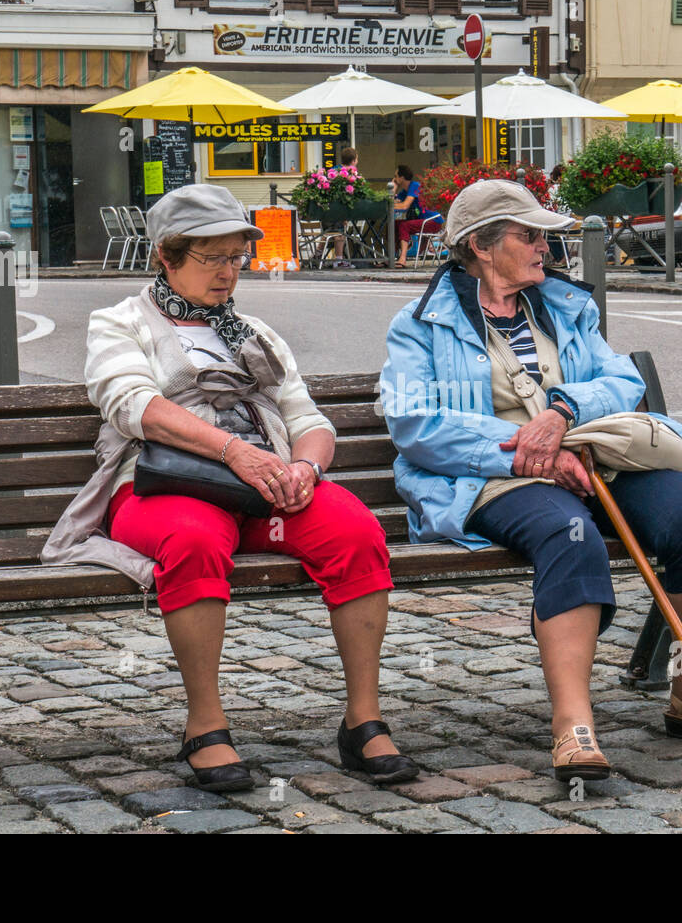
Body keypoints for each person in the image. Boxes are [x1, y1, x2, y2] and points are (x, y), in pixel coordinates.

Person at [42, 184, 418, 791]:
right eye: (212, 258)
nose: (228, 273)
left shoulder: (255, 332)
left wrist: (305, 469)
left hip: (263, 487)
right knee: (192, 541)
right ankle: (205, 724)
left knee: (355, 530)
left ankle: (363, 719)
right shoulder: (120, 322)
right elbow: (133, 404)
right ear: (167, 255)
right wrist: (234, 450)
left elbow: (307, 420)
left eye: (237, 258)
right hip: (164, 485)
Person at [380, 178, 682, 781]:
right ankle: (572, 723)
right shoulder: (420, 322)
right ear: (480, 245)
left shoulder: (563, 306)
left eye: (544, 235)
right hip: (488, 478)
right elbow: (416, 423)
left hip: (588, 459)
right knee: (570, 532)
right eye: (528, 235)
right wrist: (524, 455)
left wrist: (562, 413)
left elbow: (621, 382)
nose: (544, 248)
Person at [392, 164, 442, 268]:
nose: (394, 179)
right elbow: (391, 202)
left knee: (404, 226)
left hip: (433, 221)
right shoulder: (404, 192)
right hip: (422, 221)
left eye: (396, 176)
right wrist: (393, 188)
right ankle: (391, 257)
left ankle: (403, 258)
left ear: (401, 178)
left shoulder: (415, 186)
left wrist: (393, 205)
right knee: (394, 224)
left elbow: (404, 206)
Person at [326, 147, 360, 268]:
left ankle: (317, 256)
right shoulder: (351, 173)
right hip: (340, 208)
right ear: (353, 161)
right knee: (339, 233)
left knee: (328, 231)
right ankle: (339, 260)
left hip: (327, 209)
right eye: (356, 159)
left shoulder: (333, 170)